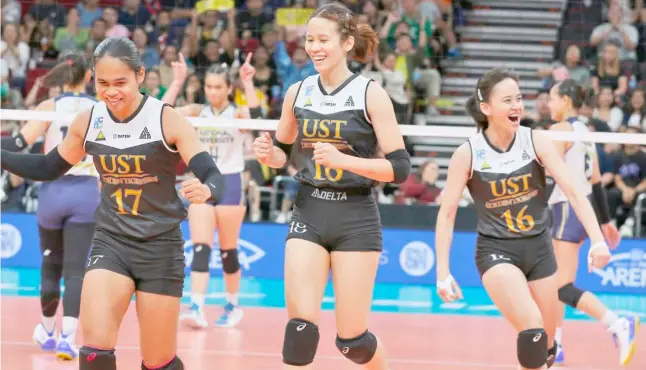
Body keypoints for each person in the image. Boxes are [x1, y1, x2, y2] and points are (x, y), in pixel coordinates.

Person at [1, 36, 226, 370]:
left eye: (120, 82)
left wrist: (207, 190)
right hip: (111, 241)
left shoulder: (166, 118)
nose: (111, 91)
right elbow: (49, 167)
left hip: (160, 247)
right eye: (103, 83)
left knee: (158, 360)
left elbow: (212, 174)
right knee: (93, 353)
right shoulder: (88, 121)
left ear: (140, 75)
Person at [252, 3, 410, 369]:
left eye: (323, 39)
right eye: (309, 40)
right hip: (310, 209)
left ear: (346, 43)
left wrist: (344, 161)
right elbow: (283, 153)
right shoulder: (298, 92)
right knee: (299, 334)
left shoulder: (370, 93)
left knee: (352, 342)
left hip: (355, 217)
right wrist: (268, 153)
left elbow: (400, 168)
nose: (314, 47)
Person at [434, 68, 612, 370]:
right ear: (487, 109)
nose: (517, 105)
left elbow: (574, 190)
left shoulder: (535, 140)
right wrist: (442, 271)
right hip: (496, 251)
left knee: (547, 345)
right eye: (508, 100)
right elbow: (447, 213)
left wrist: (597, 240)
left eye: (519, 98)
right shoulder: (468, 154)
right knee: (531, 325)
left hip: (540, 250)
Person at [1, 51, 99, 361]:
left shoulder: (49, 107)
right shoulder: (101, 110)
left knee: (50, 265)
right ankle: (68, 339)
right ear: (88, 77)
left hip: (53, 192)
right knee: (75, 272)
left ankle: (46, 330)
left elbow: (18, 145)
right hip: (86, 194)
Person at [161, 53, 261, 328]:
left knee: (228, 250)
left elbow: (260, 121)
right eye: (209, 86)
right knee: (201, 247)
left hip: (230, 182)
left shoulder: (237, 113)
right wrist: (178, 82)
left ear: (229, 88)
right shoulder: (196, 112)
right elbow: (160, 113)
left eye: (219, 87)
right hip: (202, 181)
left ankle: (232, 304)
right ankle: (197, 307)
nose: (213, 91)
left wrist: (248, 83)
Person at [546, 79, 639, 367]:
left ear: (565, 101)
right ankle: (556, 343)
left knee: (559, 287)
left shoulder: (559, 131)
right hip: (581, 211)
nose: (549, 104)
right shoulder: (585, 131)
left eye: (552, 98)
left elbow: (550, 177)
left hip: (564, 208)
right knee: (557, 283)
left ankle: (616, 322)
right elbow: (596, 181)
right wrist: (606, 221)